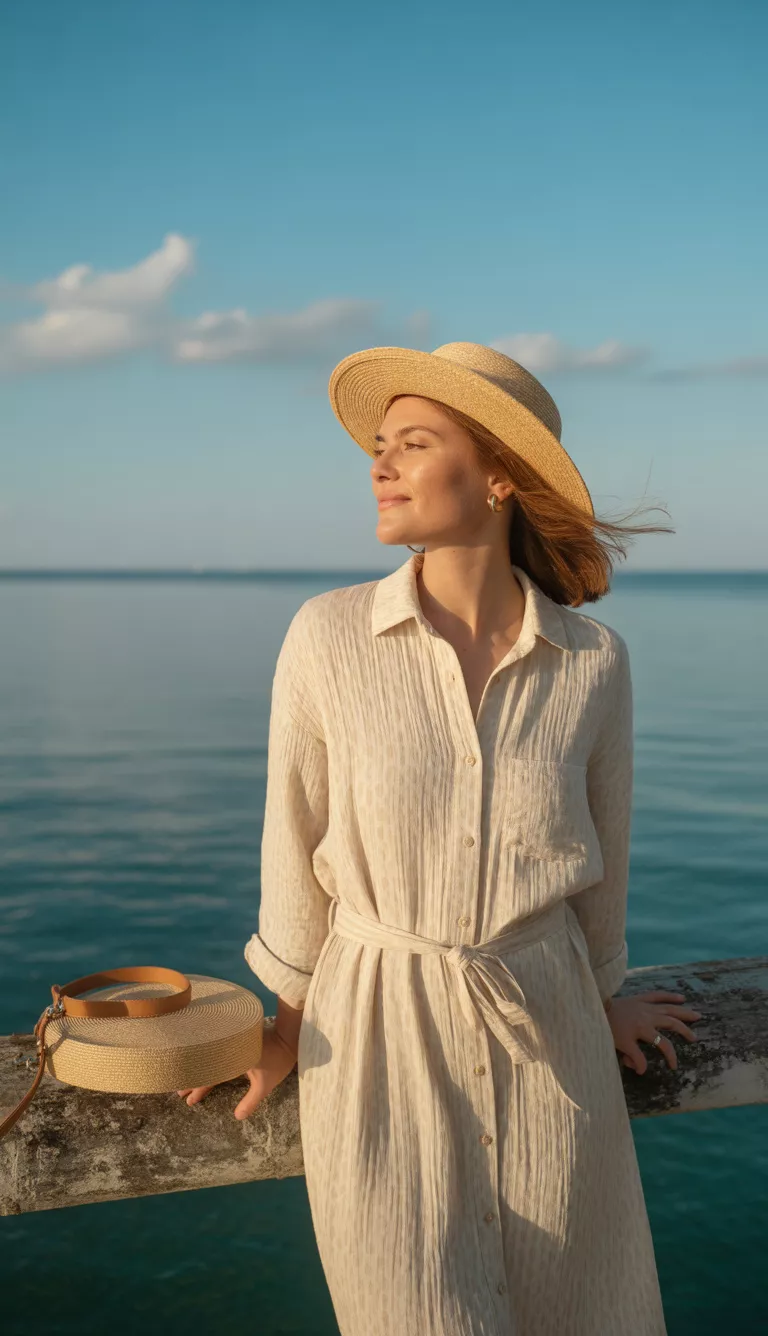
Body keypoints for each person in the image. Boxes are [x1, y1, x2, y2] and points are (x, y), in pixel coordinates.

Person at [178, 342, 704, 1335]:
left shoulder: (592, 661)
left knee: (582, 1310)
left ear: (500, 474)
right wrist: (284, 1023)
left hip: (552, 1034)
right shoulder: (328, 636)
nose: (380, 465)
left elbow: (604, 864)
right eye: (379, 446)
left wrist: (603, 996)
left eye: (413, 444)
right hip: (375, 1041)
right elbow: (293, 843)